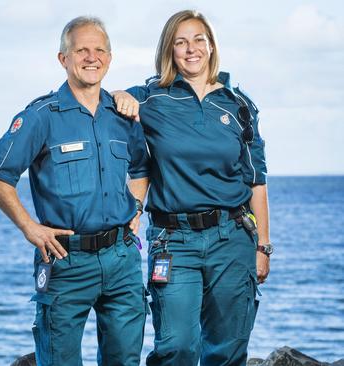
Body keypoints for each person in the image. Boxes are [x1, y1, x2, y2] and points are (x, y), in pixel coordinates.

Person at [0, 16, 150, 366]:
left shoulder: (121, 113)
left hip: (122, 260)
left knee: (125, 361)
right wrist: (30, 228)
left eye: (99, 49)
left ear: (110, 57)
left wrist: (136, 207)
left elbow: (141, 166)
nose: (92, 57)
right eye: (81, 50)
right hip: (66, 260)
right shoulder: (41, 115)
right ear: (64, 59)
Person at [112, 10, 271, 366]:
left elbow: (257, 180)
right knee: (176, 346)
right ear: (169, 50)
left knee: (227, 349)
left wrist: (263, 246)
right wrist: (120, 94)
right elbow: (112, 99)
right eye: (180, 42)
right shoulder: (152, 97)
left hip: (233, 238)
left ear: (211, 46)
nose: (191, 49)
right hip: (174, 241)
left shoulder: (239, 105)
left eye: (199, 39)